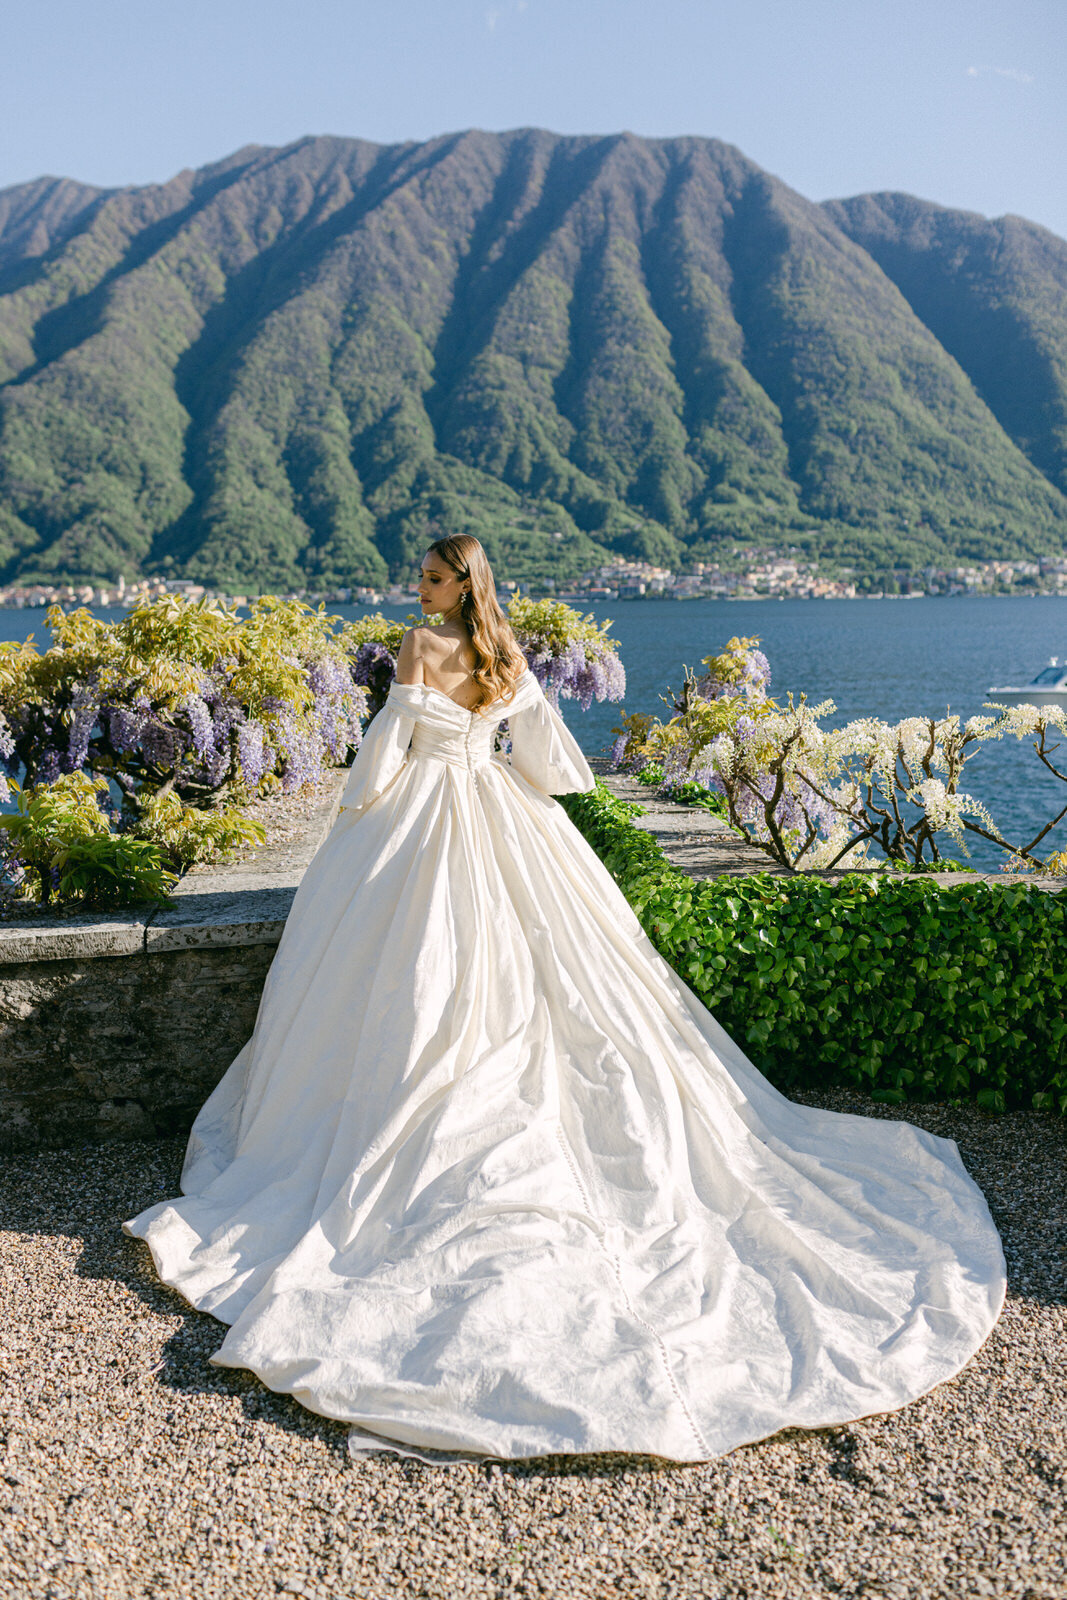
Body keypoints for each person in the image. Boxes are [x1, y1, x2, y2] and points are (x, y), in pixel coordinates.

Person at [124, 534, 1005, 1464]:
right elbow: (547, 758)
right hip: (503, 810)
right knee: (553, 972)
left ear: (461, 584)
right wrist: (512, 767)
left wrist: (356, 816)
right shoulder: (508, 656)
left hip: (424, 813)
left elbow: (384, 751)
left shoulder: (419, 648)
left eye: (429, 577)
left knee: (415, 973)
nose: (415, 589)